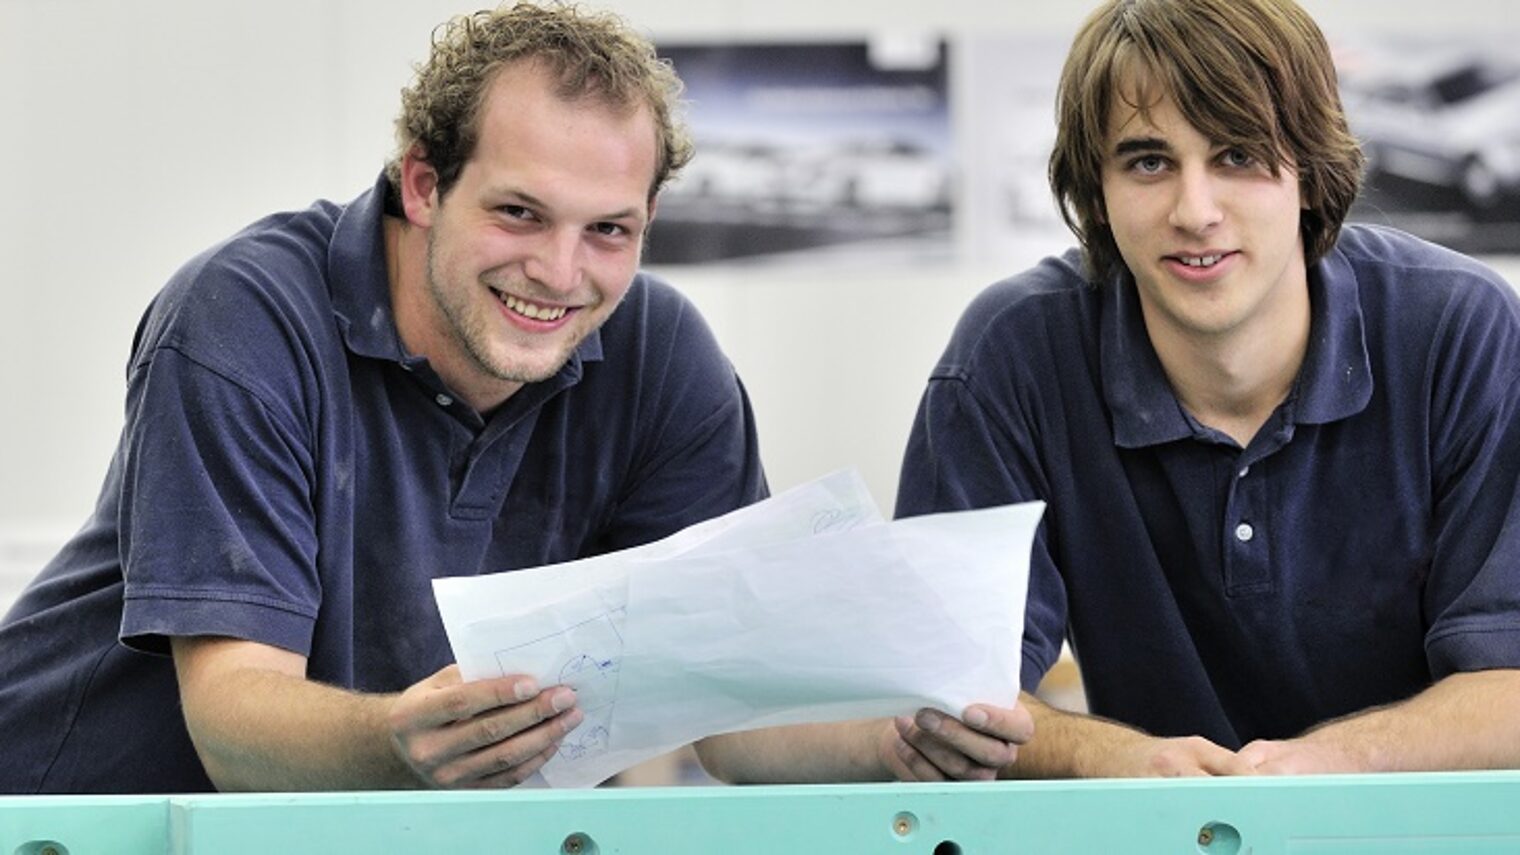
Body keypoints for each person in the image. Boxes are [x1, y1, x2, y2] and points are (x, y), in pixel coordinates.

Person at [0, 1, 1028, 794]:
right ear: (420, 186)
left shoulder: (659, 357)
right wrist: (397, 740)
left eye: (607, 231)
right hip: (71, 812)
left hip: (365, 824)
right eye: (519, 213)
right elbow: (231, 718)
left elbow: (732, 719)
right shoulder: (243, 318)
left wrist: (891, 737)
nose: (559, 271)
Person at [897, 0, 1520, 778]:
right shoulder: (1012, 354)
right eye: (1149, 162)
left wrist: (1328, 764)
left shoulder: (1463, 331)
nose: (1195, 212)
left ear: (1309, 172)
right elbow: (941, 697)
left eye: (1237, 156)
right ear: (1098, 187)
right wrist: (1116, 759)